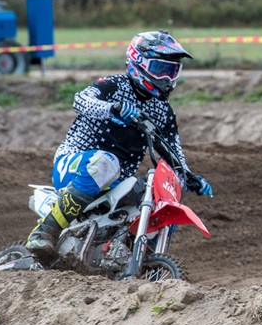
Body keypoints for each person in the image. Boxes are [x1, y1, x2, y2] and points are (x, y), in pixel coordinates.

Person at [25, 30, 213, 265]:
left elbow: (172, 148)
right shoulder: (111, 85)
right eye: (159, 69)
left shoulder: (163, 111)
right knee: (107, 162)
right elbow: (80, 100)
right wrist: (111, 109)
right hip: (73, 165)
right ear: (138, 62)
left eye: (171, 71)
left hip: (114, 182)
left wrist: (189, 176)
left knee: (158, 195)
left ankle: (137, 261)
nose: (165, 78)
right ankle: (45, 232)